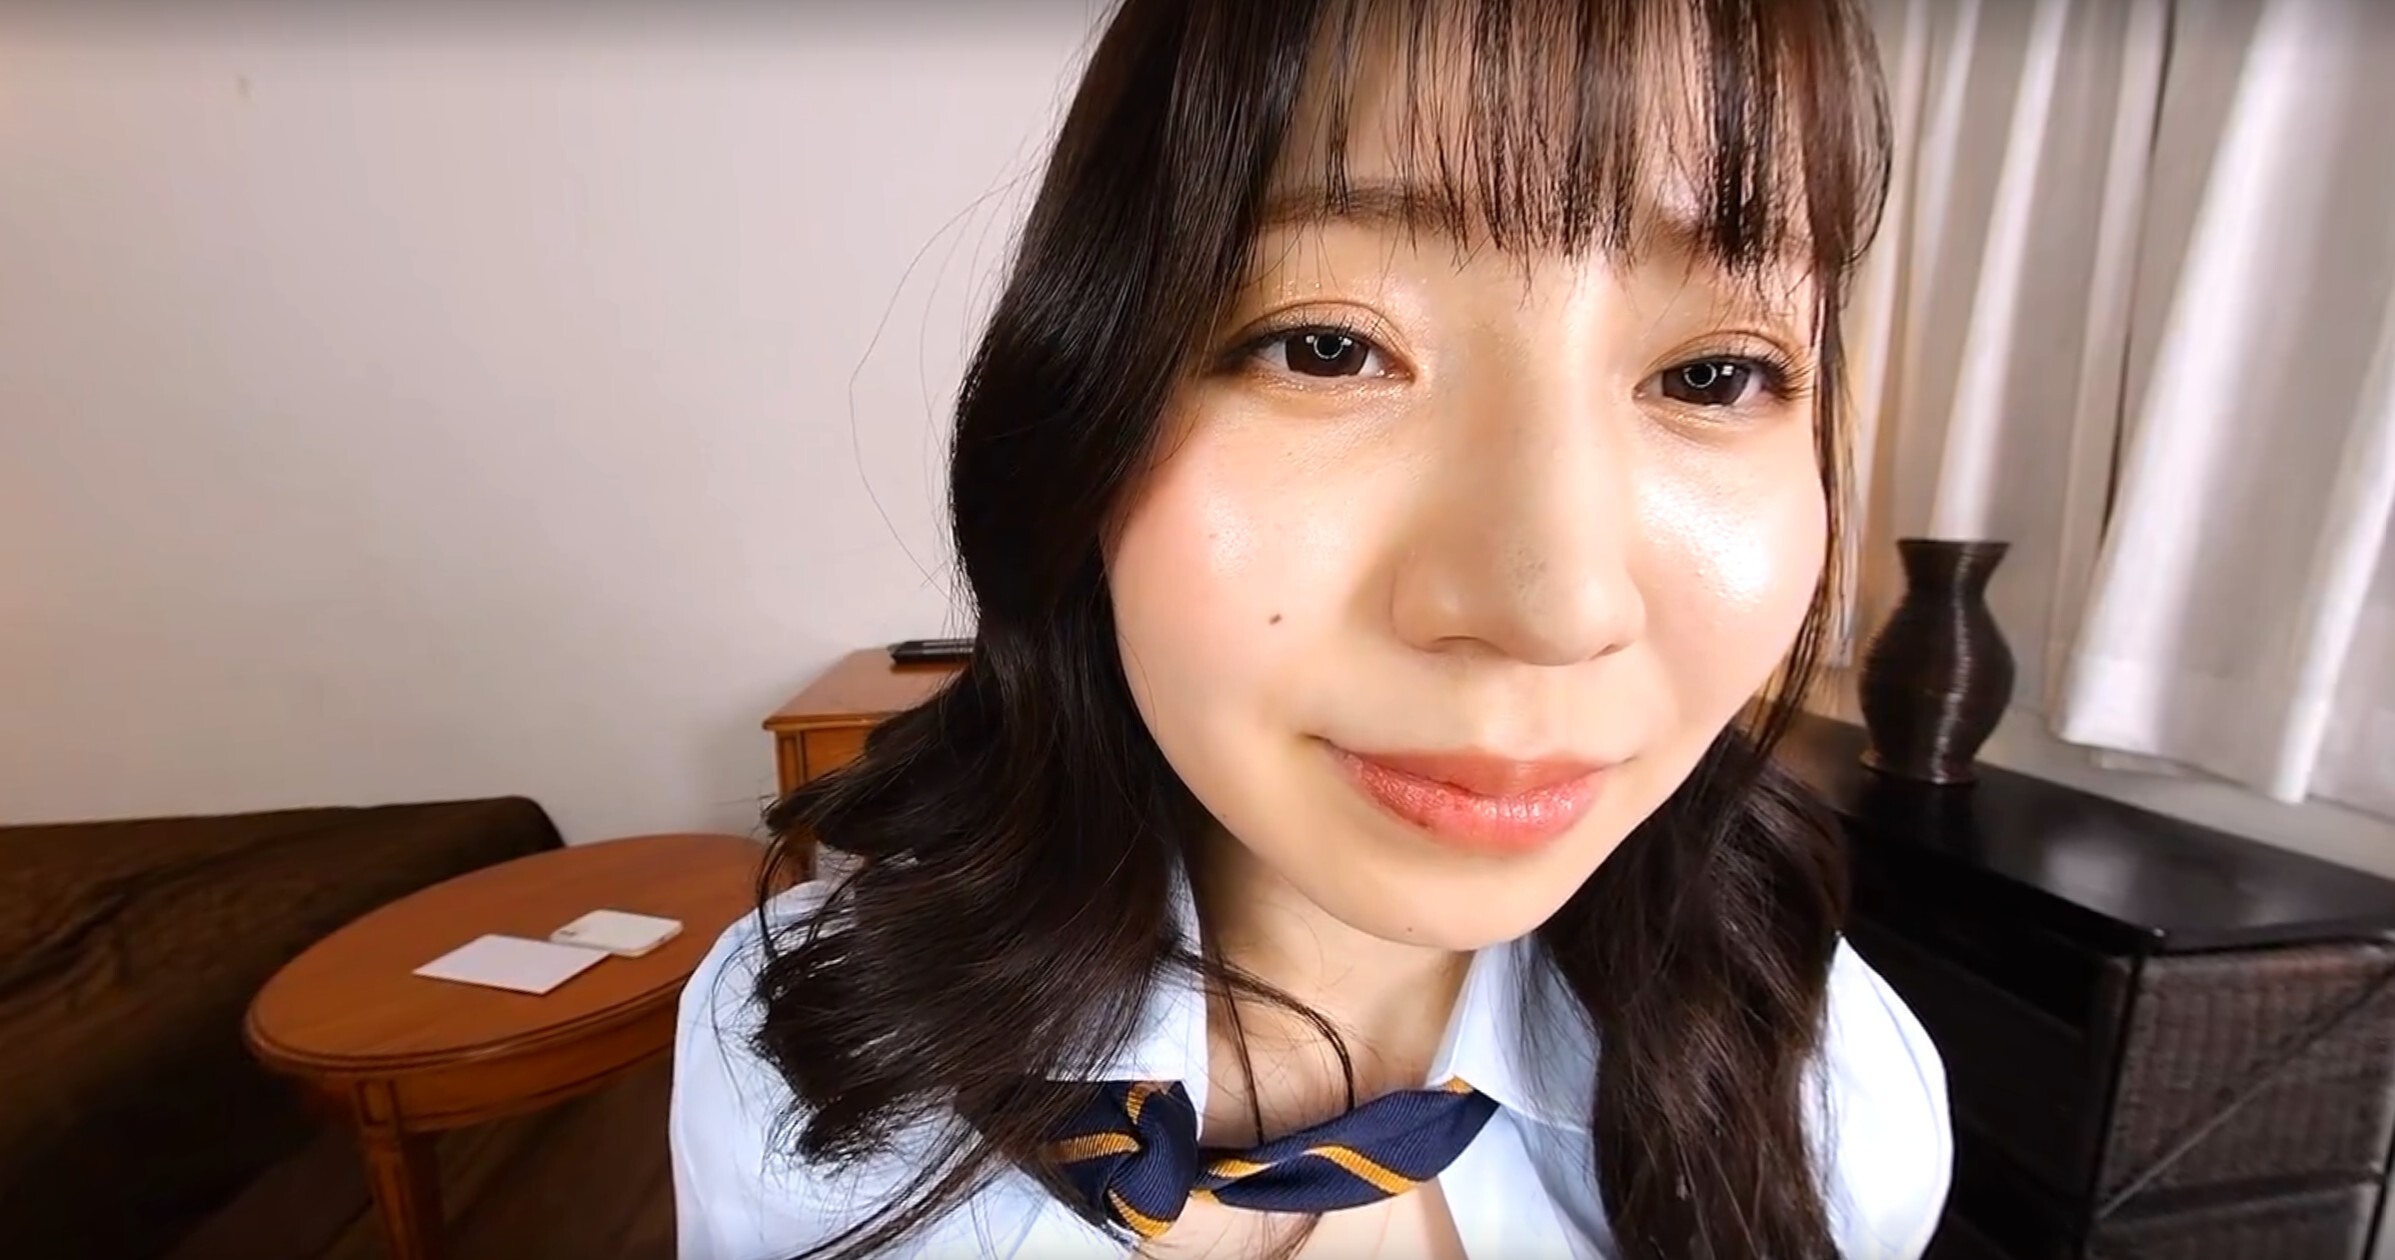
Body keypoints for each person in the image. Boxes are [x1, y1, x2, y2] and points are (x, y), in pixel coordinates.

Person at [672, 0, 1951, 1255]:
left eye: (1713, 375)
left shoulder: (1835, 1109)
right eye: (1327, 348)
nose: (1553, 609)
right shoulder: (805, 1066)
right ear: (1085, 408)